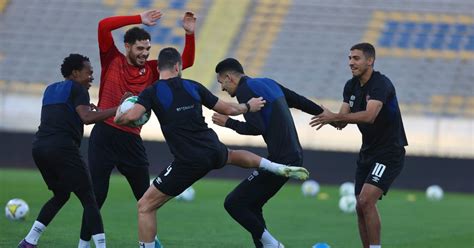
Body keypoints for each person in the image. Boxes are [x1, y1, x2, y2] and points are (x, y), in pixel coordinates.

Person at [114, 47, 310, 248]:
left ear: (158, 67)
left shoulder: (152, 92)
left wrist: (118, 115)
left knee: (145, 206)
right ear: (177, 67)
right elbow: (229, 109)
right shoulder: (194, 86)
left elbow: (131, 116)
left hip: (187, 160)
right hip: (212, 149)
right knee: (231, 154)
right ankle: (275, 167)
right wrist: (248, 106)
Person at [78, 10, 196, 247]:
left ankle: (151, 242)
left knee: (147, 198)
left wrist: (189, 34)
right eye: (140, 48)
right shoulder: (112, 58)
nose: (144, 53)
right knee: (96, 197)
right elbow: (103, 25)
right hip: (104, 135)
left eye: (147, 49)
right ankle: (82, 245)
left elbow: (187, 62)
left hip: (131, 140)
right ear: (128, 46)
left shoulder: (152, 71)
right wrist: (138, 19)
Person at [212, 58, 325, 248]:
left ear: (229, 78)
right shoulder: (267, 82)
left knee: (234, 203)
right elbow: (298, 100)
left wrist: (228, 123)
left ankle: (273, 245)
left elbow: (257, 127)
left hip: (282, 160)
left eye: (221, 82)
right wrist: (324, 113)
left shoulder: (245, 90)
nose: (222, 89)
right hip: (293, 154)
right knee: (252, 205)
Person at [18, 54, 128, 248]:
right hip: (63, 149)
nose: (92, 77)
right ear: (76, 73)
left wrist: (89, 110)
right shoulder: (78, 89)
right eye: (89, 73)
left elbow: (65, 113)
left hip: (40, 148)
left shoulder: (50, 89)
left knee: (61, 195)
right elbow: (86, 118)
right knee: (90, 199)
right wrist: (119, 109)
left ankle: (29, 241)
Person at [310, 42, 408, 248]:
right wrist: (324, 115)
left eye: (356, 58)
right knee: (360, 206)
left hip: (389, 152)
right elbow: (342, 121)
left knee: (366, 201)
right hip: (368, 152)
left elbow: (370, 115)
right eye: (349, 58)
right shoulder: (351, 86)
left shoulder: (381, 84)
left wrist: (336, 116)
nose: (351, 63)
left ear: (370, 60)